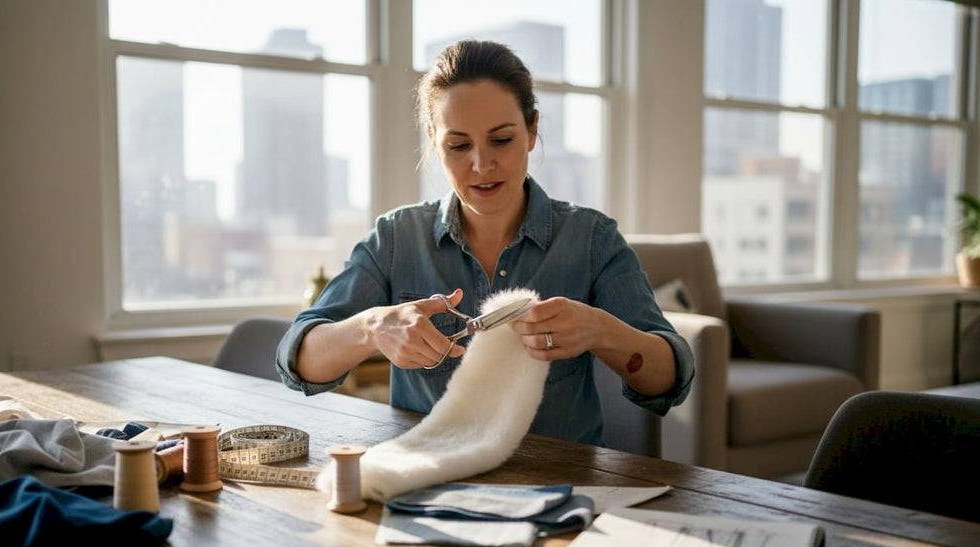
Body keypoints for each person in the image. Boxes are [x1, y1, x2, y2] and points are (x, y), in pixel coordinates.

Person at [277, 40, 694, 446]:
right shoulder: (396, 239)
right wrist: (371, 328)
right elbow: (299, 360)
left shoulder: (591, 240)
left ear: (532, 130)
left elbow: (671, 378)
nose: (481, 164)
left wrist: (600, 330)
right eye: (458, 145)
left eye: (501, 140)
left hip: (559, 490)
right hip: (426, 487)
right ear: (433, 141)